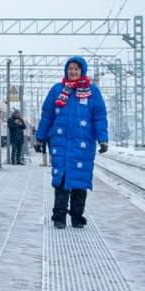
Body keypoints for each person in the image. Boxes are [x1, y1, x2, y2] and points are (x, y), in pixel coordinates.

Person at [35, 56, 108, 228]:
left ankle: (77, 216)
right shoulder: (57, 90)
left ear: (82, 71)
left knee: (80, 181)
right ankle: (59, 217)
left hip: (83, 145)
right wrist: (40, 137)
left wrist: (103, 138)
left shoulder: (92, 92)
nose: (73, 72)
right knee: (61, 180)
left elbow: (99, 117)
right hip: (60, 144)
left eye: (76, 69)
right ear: (66, 71)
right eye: (70, 69)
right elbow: (47, 116)